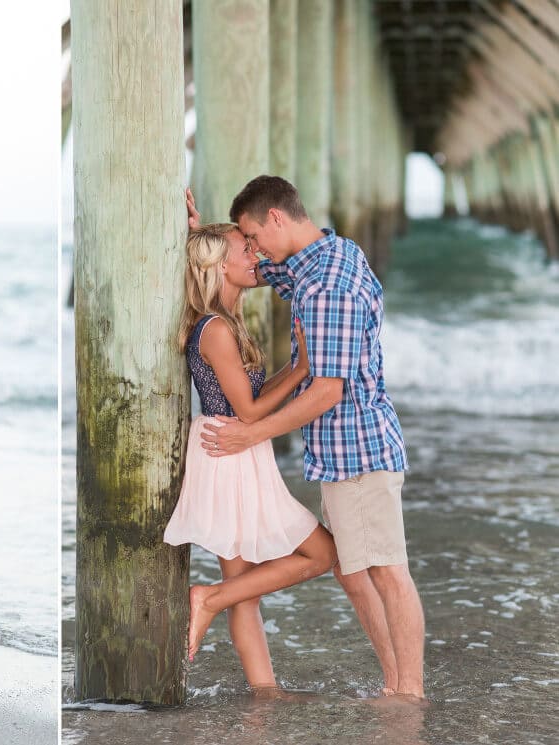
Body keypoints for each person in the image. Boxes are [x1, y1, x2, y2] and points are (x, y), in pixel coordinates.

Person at [201, 175, 424, 700]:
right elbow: (257, 271)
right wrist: (206, 241)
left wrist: (250, 433)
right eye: (248, 244)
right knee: (351, 571)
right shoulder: (326, 255)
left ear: (276, 218)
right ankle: (396, 685)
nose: (254, 249)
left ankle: (408, 695)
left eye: (254, 235)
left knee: (387, 573)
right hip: (340, 453)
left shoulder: (327, 287)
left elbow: (325, 391)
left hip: (358, 450)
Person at [164, 206, 337, 688]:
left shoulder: (227, 321)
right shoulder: (216, 330)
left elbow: (253, 403)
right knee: (322, 555)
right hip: (230, 453)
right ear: (221, 266)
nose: (256, 255)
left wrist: (196, 230)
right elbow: (250, 412)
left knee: (247, 592)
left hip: (238, 451)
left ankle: (265, 691)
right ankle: (209, 600)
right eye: (246, 249)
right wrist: (302, 371)